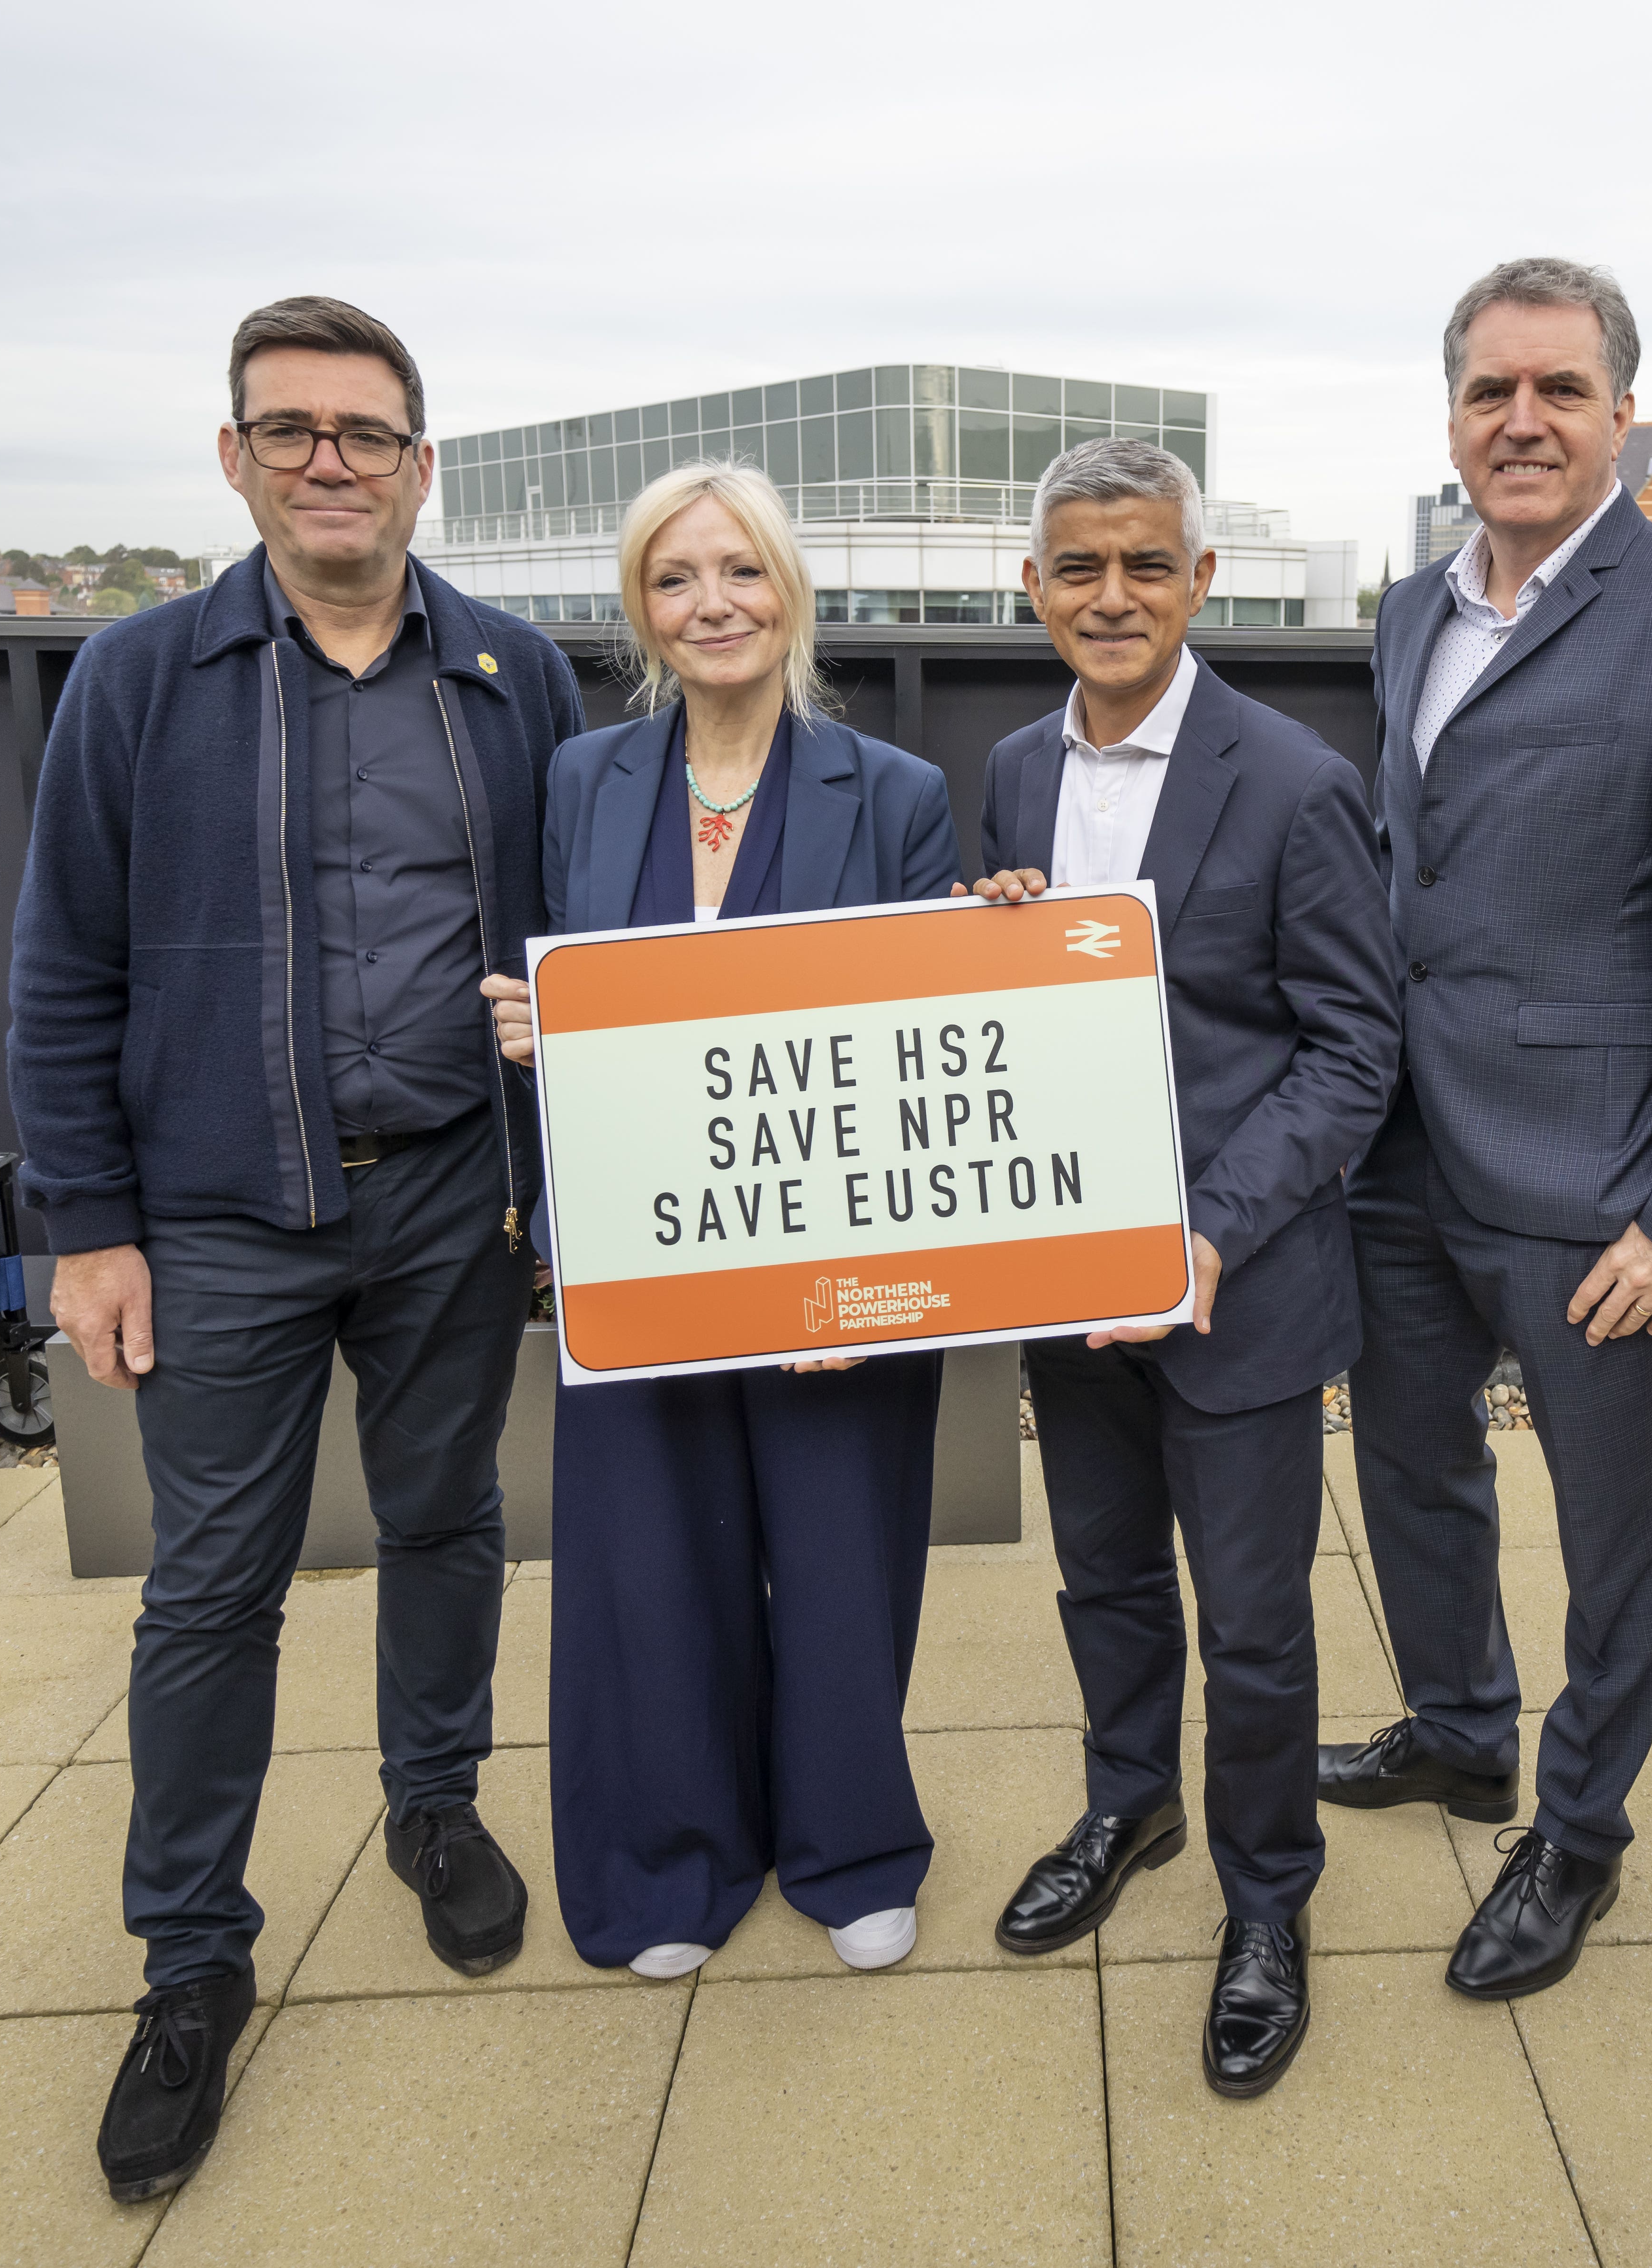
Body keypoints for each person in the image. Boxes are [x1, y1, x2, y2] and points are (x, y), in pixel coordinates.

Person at [9, 296, 584, 2203]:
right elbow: (60, 966)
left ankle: (435, 1816)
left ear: (424, 463)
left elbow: (591, 944)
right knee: (212, 1589)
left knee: (446, 1525)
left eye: (364, 431)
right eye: (290, 429)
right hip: (221, 1214)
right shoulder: (141, 678)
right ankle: (190, 1960)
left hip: (444, 1196)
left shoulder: (510, 676)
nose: (327, 460)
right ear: (236, 456)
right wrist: (86, 1228)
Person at [1331, 257, 1652, 2000]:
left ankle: (1579, 1831)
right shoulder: (1412, 613)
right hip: (1402, 1158)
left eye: (1559, 390)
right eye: (1492, 392)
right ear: (1454, 415)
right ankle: (1464, 1728)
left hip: (1596, 1177)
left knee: (1614, 1529)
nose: (1523, 421)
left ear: (1623, 409)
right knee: (1408, 1466)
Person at [480, 461, 961, 1984]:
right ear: (642, 610)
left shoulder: (896, 793)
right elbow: (566, 995)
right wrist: (539, 1030)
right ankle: (670, 1856)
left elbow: (925, 1042)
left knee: (838, 1547)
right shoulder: (581, 781)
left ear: (791, 591)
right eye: (678, 578)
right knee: (647, 1558)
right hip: (640, 1245)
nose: (713, 604)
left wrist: (866, 1283)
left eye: (740, 570)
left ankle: (849, 1845)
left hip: (834, 1265)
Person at [962, 440, 1403, 2098]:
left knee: (1262, 1623)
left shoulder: (1293, 777)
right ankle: (1128, 1799)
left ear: (1200, 580)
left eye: (1146, 565)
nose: (1112, 596)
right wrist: (985, 923)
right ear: (1034, 590)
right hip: (1068, 1288)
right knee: (1105, 1582)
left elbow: (1355, 1050)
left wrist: (1205, 1231)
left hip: (1238, 1283)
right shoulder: (1012, 769)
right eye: (1078, 568)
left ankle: (1269, 1900)